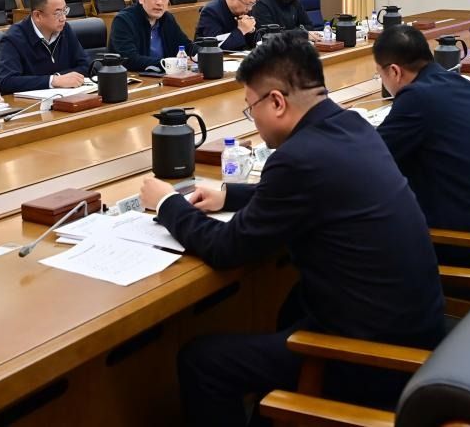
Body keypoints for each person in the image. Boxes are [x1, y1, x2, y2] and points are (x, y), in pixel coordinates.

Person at [140, 33, 444, 427]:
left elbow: (226, 248)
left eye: (251, 108)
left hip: (374, 357)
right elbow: (308, 191)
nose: (253, 120)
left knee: (203, 362)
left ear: (277, 102)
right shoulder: (350, 125)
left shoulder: (296, 159)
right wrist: (229, 195)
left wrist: (169, 203)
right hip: (413, 326)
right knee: (289, 305)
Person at [373, 25, 470, 268]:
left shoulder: (417, 98)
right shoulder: (464, 85)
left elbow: (370, 159)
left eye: (380, 74)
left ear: (394, 71)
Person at [0, 0, 90, 94]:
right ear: (37, 16)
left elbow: (86, 65)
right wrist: (53, 81)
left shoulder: (65, 29)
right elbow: (6, 82)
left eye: (65, 11)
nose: (63, 18)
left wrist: (59, 77)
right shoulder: (13, 38)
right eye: (57, 13)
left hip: (66, 97)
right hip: (30, 102)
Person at [110, 0, 196, 72]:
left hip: (163, 76)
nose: (160, 2)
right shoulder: (123, 21)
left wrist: (203, 52)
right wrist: (167, 63)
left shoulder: (167, 18)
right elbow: (129, 59)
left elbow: (186, 46)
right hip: (134, 78)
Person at [195, 0, 259, 52]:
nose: (250, 8)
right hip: (209, 57)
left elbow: (257, 43)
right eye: (248, 4)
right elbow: (216, 46)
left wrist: (251, 30)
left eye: (252, 4)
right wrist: (242, 30)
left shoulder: (246, 10)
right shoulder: (211, 11)